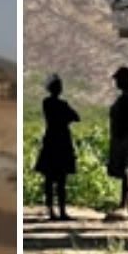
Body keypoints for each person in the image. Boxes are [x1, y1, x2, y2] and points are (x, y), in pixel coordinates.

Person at [34, 75, 79, 221]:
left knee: (50, 178)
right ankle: (61, 211)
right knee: (61, 180)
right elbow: (76, 117)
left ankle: (52, 210)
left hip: (51, 141)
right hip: (62, 142)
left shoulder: (46, 103)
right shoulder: (62, 104)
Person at [106, 66, 128, 212]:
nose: (117, 82)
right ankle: (125, 203)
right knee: (127, 170)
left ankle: (125, 204)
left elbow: (127, 120)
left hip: (127, 138)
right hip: (126, 137)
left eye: (119, 79)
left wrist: (120, 136)